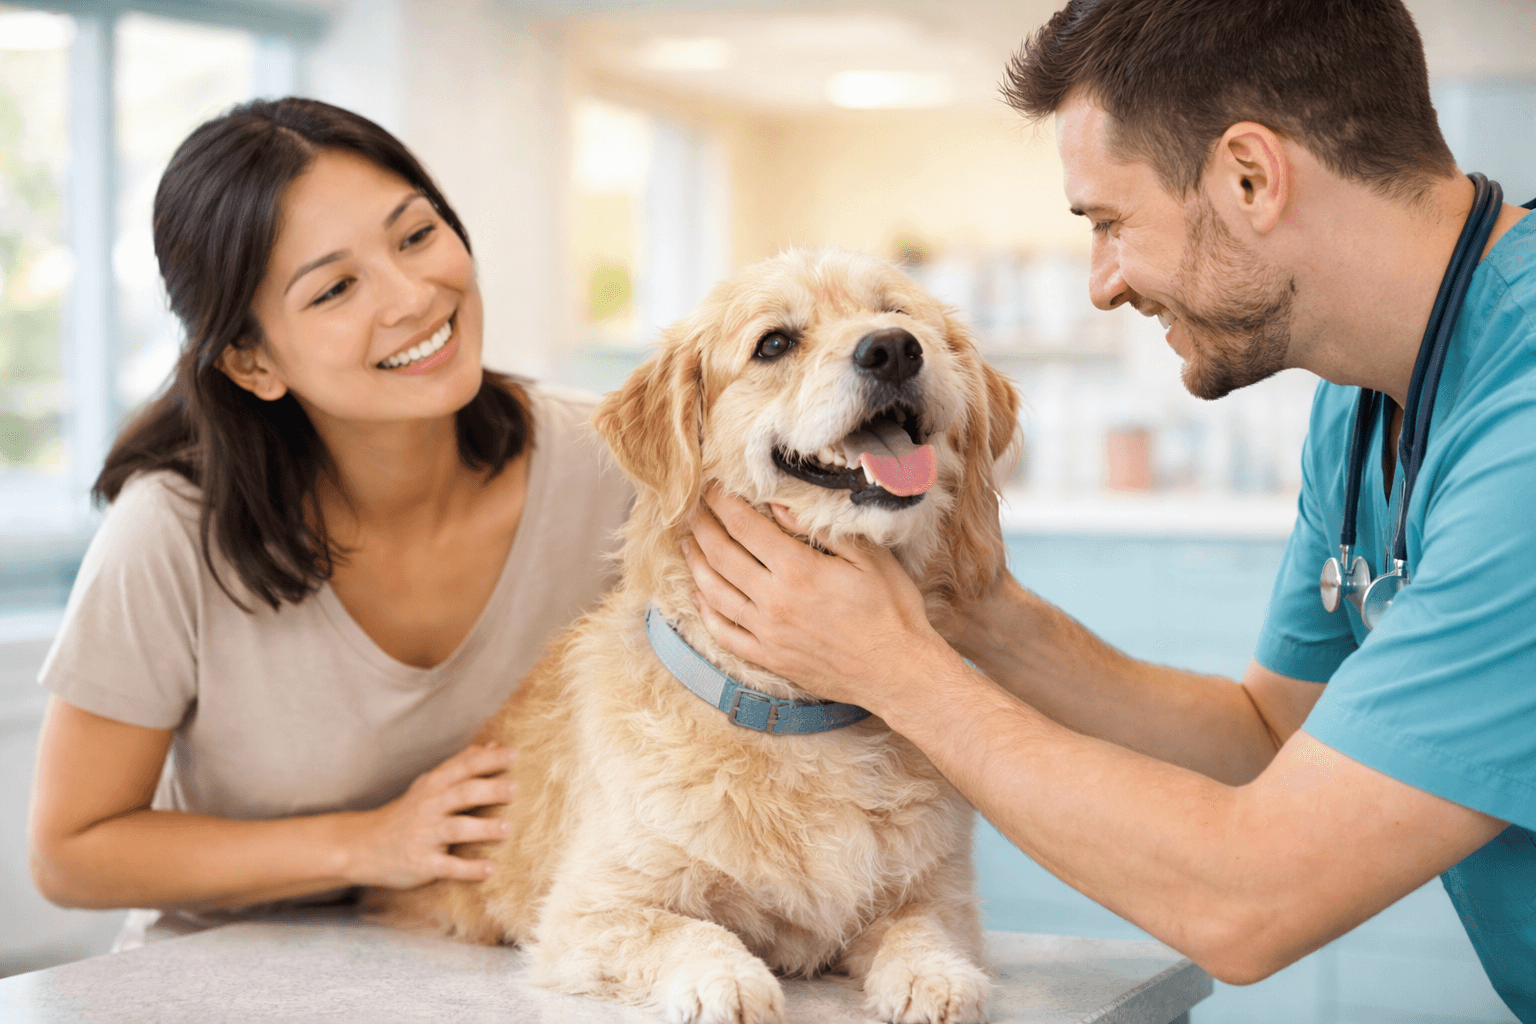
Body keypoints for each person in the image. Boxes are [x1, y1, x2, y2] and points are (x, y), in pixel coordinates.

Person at [682, 0, 1535, 1016]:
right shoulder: (1364, 401)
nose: (1101, 283)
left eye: (1109, 224)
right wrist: (985, 612)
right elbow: (1270, 737)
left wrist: (897, 668)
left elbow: (1252, 898)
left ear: (1250, 177)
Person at [27, 98, 632, 947]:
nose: (415, 296)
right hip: (226, 981)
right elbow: (71, 853)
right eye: (337, 288)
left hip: (494, 959)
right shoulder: (169, 533)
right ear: (252, 361)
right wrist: (372, 842)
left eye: (417, 235)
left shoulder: (612, 461)